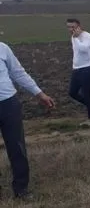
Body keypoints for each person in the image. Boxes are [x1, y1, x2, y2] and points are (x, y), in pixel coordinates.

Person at [0, 42, 56, 199]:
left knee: (17, 148)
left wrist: (39, 94)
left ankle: (21, 189)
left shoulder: (3, 48)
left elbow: (18, 73)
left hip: (8, 104)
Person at [66, 18, 90, 126]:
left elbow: (83, 49)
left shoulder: (87, 36)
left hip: (88, 68)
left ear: (79, 26)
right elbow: (77, 53)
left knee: (86, 93)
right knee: (72, 92)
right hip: (77, 69)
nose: (71, 29)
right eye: (69, 27)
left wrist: (76, 38)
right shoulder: (73, 37)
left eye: (73, 27)